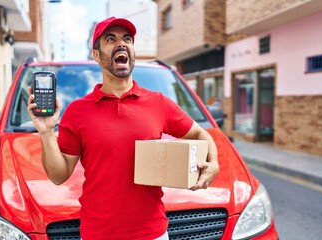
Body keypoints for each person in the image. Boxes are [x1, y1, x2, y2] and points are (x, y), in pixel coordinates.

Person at [27, 16, 219, 240]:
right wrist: (47, 131)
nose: (122, 44)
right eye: (111, 39)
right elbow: (59, 176)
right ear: (97, 55)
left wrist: (214, 162)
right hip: (98, 235)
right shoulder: (78, 111)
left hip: (152, 234)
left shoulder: (158, 103)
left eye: (127, 39)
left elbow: (199, 133)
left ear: (133, 52)